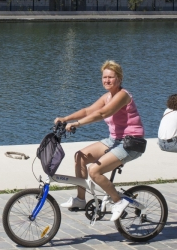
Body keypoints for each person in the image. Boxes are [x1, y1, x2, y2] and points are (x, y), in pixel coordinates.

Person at [54, 60, 145, 222]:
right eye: (104, 77)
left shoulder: (122, 96)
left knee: (94, 171)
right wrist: (65, 118)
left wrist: (77, 124)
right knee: (79, 156)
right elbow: (88, 110)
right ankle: (81, 199)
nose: (107, 80)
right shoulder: (107, 96)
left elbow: (102, 113)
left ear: (119, 78)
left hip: (131, 142)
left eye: (111, 77)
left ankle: (118, 201)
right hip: (114, 140)